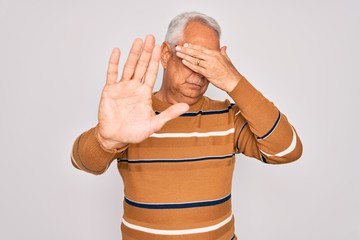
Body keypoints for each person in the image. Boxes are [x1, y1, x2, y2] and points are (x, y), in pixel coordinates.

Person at [71, 11, 302, 240]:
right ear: (165, 55)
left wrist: (234, 81)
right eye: (192, 58)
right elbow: (83, 163)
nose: (200, 73)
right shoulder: (134, 114)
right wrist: (107, 140)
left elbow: (287, 149)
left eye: (209, 62)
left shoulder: (226, 116)